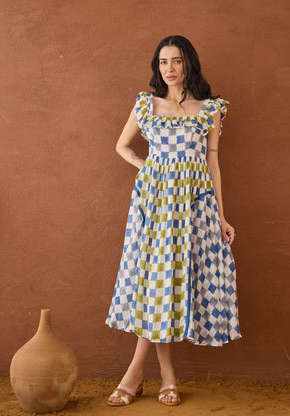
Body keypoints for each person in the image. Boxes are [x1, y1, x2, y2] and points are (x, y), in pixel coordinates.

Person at [105, 35, 241, 407]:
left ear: (188, 64)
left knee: (168, 286)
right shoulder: (146, 105)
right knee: (157, 283)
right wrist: (147, 166)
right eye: (163, 61)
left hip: (194, 206)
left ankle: (145, 376)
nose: (169, 68)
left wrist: (221, 216)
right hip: (154, 205)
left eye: (176, 61)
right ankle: (157, 376)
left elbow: (213, 164)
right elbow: (122, 146)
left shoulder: (210, 109)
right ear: (158, 67)